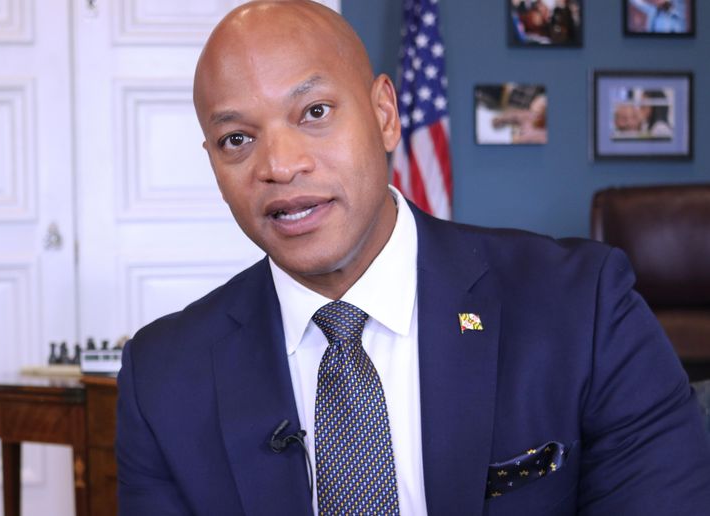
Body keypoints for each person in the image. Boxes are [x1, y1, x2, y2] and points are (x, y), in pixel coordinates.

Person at [115, 1, 710, 515]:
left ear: (384, 114)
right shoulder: (163, 379)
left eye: (315, 112)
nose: (280, 164)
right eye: (236, 139)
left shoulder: (584, 309)